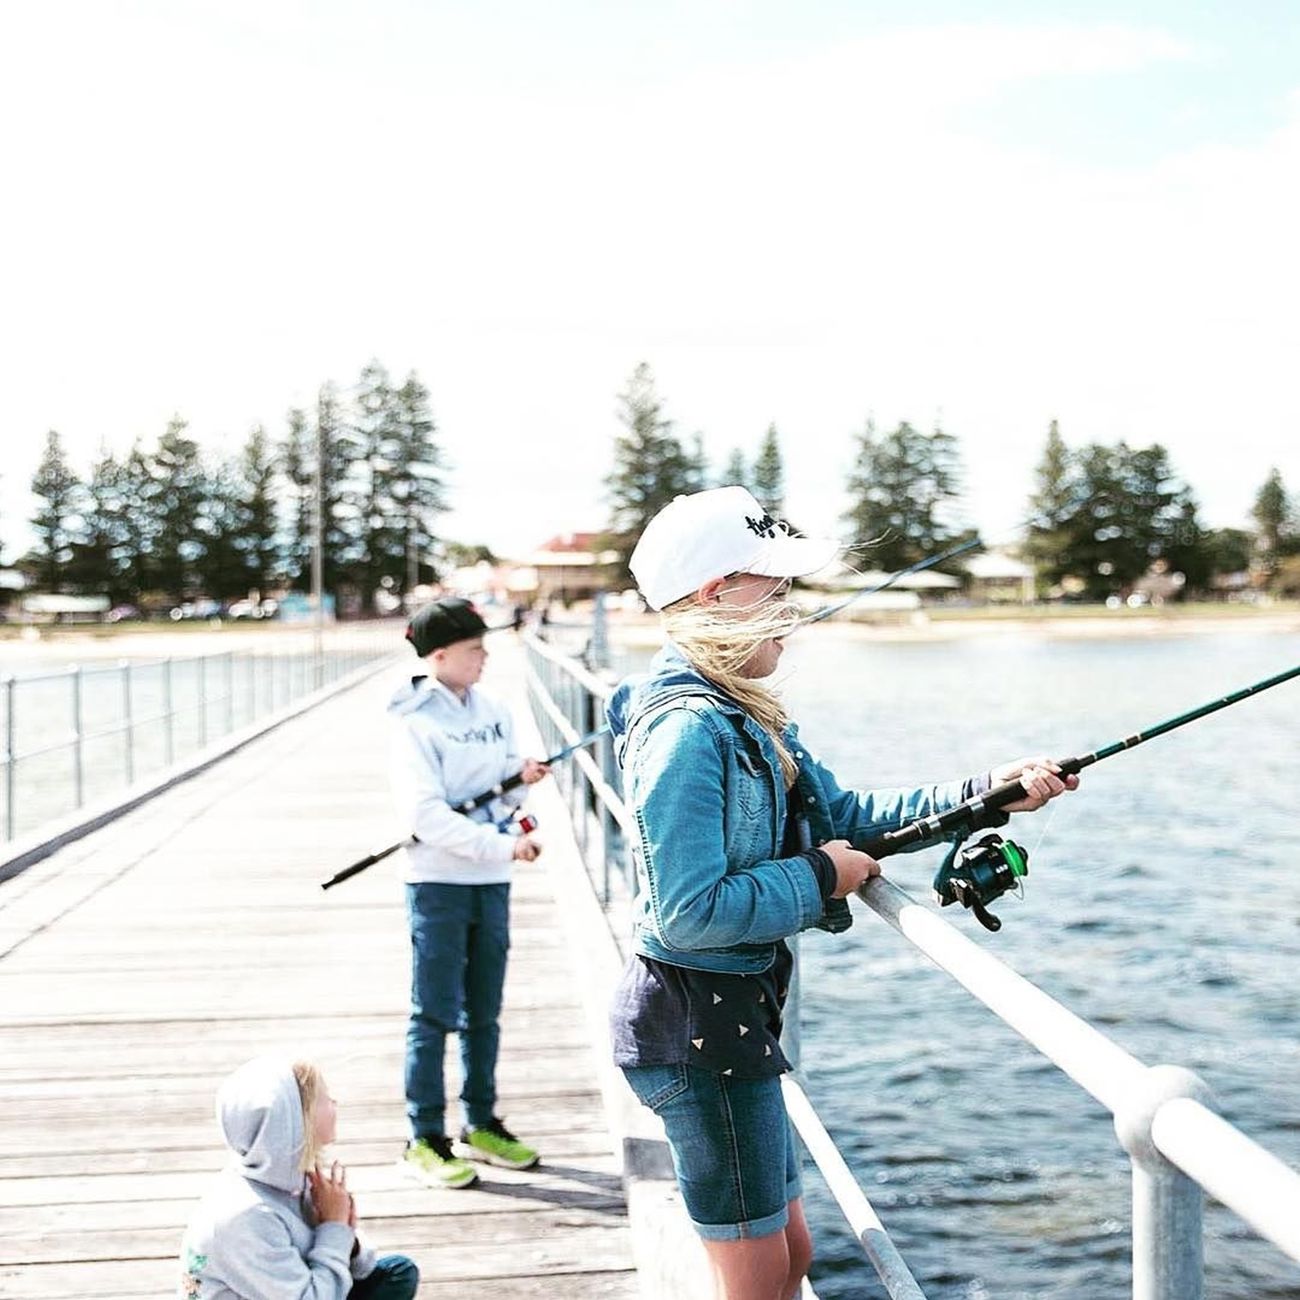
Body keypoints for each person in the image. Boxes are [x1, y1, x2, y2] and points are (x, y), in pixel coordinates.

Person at [606, 486, 1078, 1300]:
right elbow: (685, 913)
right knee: (758, 1275)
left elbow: (850, 817)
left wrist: (990, 792)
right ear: (719, 594)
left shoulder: (746, 714)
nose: (792, 612)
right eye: (775, 590)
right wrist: (823, 875)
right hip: (696, 1030)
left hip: (735, 1018)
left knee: (790, 1255)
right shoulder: (688, 732)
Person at [390, 596, 549, 1190]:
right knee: (432, 1013)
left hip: (491, 883)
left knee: (485, 1012)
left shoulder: (496, 709)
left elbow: (505, 794)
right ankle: (424, 1135)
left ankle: (480, 1123)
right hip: (437, 883)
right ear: (439, 656)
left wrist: (520, 785)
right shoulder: (414, 722)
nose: (485, 658)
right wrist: (503, 846)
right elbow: (426, 817)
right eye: (474, 649)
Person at [179, 1056, 419, 1300]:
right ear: (290, 1121)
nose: (333, 1102)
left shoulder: (289, 1181)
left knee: (397, 1271)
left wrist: (345, 1232)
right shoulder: (246, 1217)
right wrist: (334, 1228)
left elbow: (363, 1267)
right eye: (323, 1098)